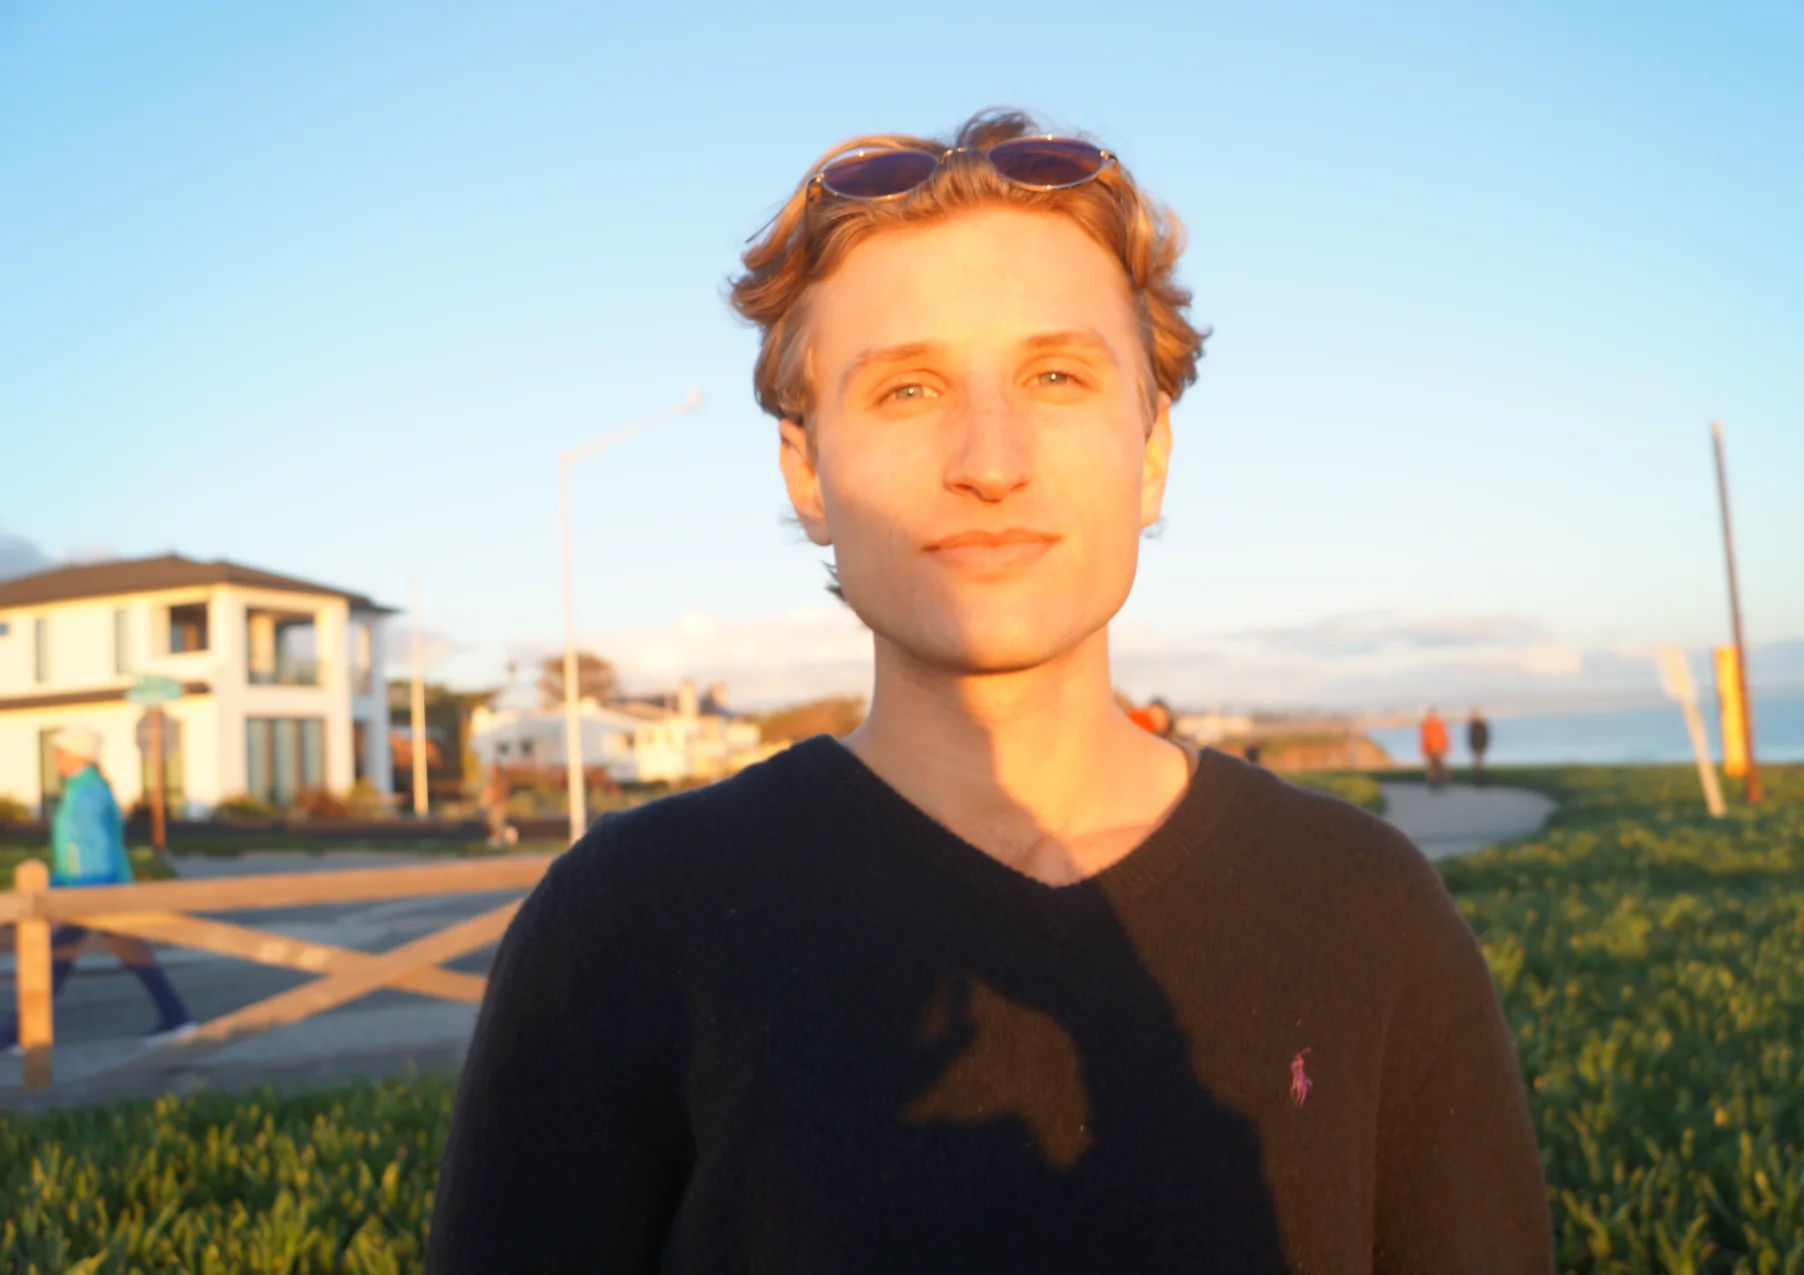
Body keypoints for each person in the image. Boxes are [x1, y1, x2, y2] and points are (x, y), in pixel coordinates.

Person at [426, 110, 1551, 1273]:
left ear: (1152, 450)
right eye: (908, 390)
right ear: (807, 471)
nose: (991, 461)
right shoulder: (627, 925)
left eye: (1056, 376)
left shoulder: (1365, 911)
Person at [1, 725, 196, 1055]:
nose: (54, 757)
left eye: (60, 751)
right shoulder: (85, 788)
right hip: (97, 889)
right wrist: (56, 886)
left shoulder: (88, 793)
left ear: (79, 754)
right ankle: (177, 1019)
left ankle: (20, 1032)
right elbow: (75, 853)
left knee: (57, 958)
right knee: (131, 955)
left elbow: (94, 852)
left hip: (94, 891)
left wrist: (78, 897)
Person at [478, 764, 516, 848]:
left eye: (493, 771)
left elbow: (498, 796)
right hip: (493, 807)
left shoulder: (500, 783)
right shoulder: (492, 783)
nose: (491, 773)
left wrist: (490, 803)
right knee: (494, 825)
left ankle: (507, 837)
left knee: (496, 824)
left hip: (497, 807)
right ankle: (498, 839)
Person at [1420, 706, 1451, 791]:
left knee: (1440, 767)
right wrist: (1423, 750)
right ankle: (1433, 783)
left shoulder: (1439, 725)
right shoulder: (1426, 726)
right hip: (1430, 749)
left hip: (1439, 749)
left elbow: (1445, 737)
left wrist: (1446, 749)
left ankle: (1442, 783)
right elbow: (1423, 739)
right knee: (1431, 768)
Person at [1468, 708, 1492, 786]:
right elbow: (1471, 737)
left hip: (1480, 746)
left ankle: (1481, 780)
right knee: (1476, 764)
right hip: (1476, 747)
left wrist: (1484, 745)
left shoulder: (1481, 725)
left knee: (1479, 764)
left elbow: (1485, 736)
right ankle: (1478, 780)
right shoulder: (1473, 725)